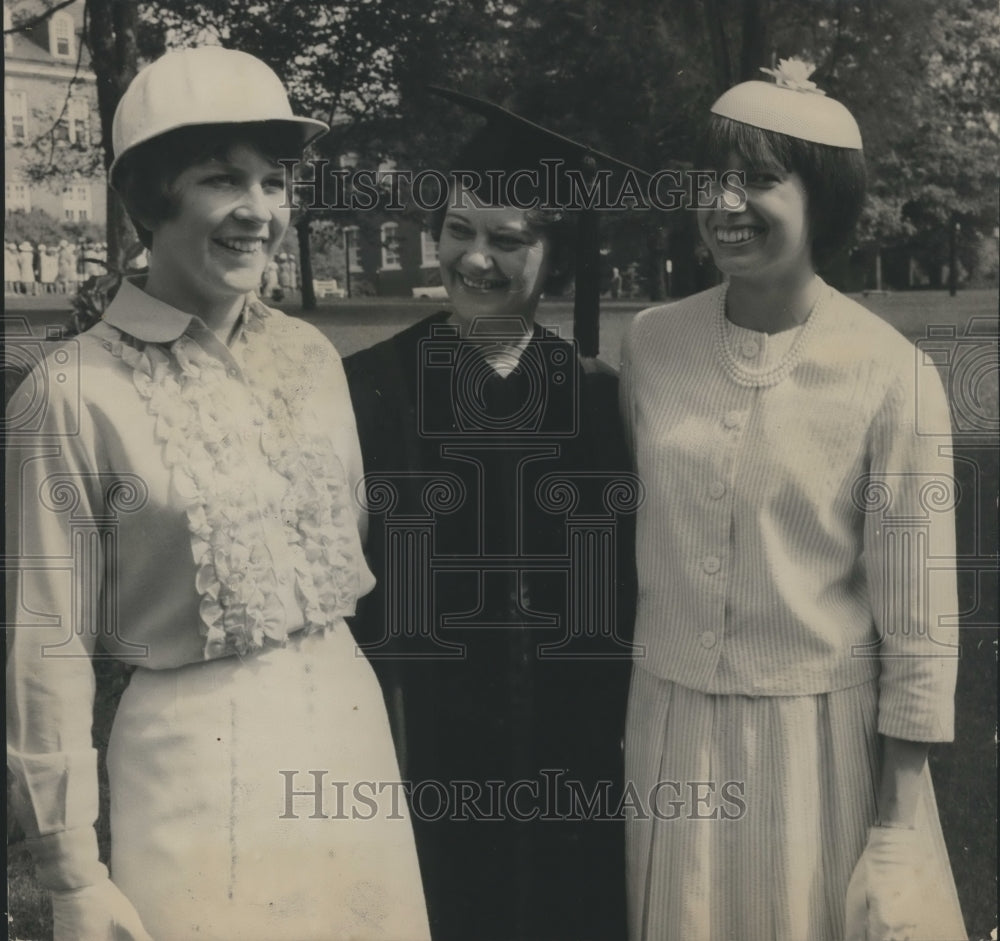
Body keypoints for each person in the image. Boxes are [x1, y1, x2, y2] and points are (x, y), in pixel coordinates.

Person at [6, 46, 429, 941]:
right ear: (151, 200)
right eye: (220, 179)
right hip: (193, 763)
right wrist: (72, 874)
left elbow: (346, 537)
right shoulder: (72, 391)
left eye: (274, 182)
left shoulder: (311, 360)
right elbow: (46, 650)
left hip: (345, 731)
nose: (259, 211)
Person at [620, 59, 966, 941]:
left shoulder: (891, 371)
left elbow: (919, 619)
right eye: (713, 179)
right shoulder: (654, 345)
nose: (726, 203)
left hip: (816, 753)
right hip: (671, 734)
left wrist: (895, 820)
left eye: (761, 180)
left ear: (825, 201)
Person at [344, 89, 639, 941]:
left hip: (571, 759)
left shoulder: (598, 403)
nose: (475, 260)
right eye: (459, 232)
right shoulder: (371, 389)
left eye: (508, 240)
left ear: (556, 256)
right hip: (419, 753)